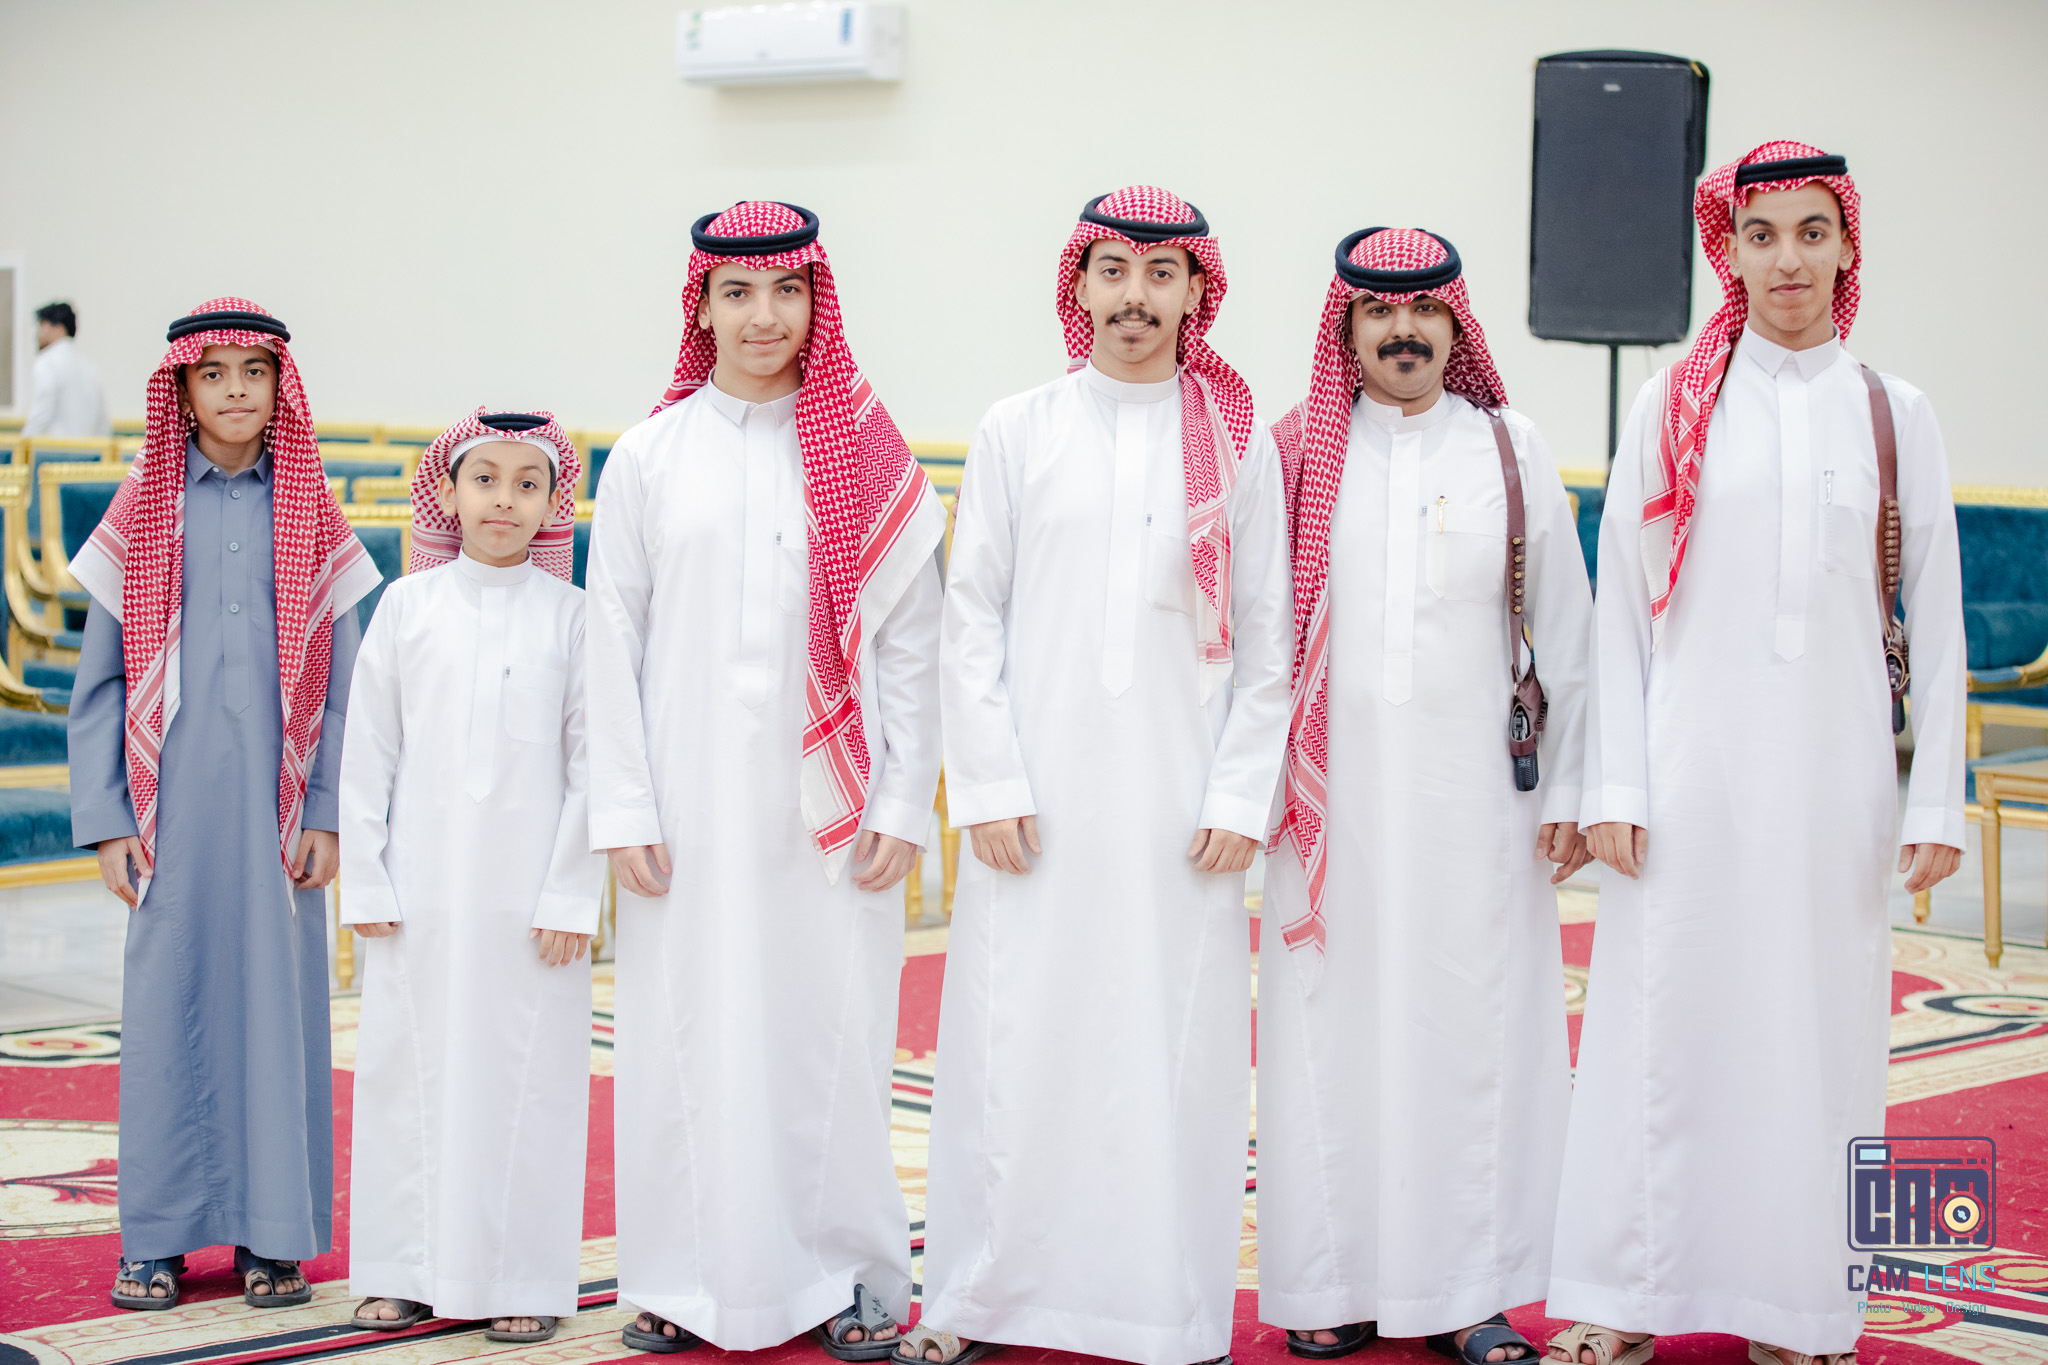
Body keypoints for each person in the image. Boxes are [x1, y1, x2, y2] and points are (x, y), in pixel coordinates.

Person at [1547, 142, 1967, 1365]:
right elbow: (1618, 612)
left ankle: (1803, 1312)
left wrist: (1931, 800)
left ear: (1843, 246)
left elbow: (1935, 618)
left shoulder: (1894, 413)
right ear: (1726, 252)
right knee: (1656, 1031)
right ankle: (1625, 1298)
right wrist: (1613, 782)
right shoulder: (1671, 404)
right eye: (1760, 234)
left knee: (1823, 1042)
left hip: (1836, 783)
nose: (1786, 258)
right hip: (1686, 776)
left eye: (1808, 232)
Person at [910, 186, 1293, 1365]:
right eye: (1113, 270)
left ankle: (1160, 1314)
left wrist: (1237, 796)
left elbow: (1269, 640)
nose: (1134, 296)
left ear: (1194, 293)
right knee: (1013, 1047)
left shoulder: (1236, 446)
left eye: (1159, 273)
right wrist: (988, 783)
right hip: (1033, 806)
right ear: (1077, 283)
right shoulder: (1017, 428)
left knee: (1168, 1058)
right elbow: (968, 615)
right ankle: (979, 1301)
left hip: (1182, 814)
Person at [585, 201, 946, 1356]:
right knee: (678, 1038)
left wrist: (903, 799)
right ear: (700, 306)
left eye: (786, 291)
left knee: (827, 1041)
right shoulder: (649, 456)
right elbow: (610, 641)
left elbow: (910, 645)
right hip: (683, 803)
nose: (762, 315)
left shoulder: (867, 453)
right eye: (737, 293)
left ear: (815, 302)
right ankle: (681, 1281)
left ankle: (848, 1277)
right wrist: (623, 806)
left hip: (832, 811)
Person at [1256, 227, 1591, 1365]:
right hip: (1327, 809)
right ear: (1345, 328)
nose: (1403, 332)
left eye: (1425, 312)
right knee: (1327, 1040)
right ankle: (1330, 1281)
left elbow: (1567, 630)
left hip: (1475, 809)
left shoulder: (1507, 446)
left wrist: (1572, 787)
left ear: (1455, 325)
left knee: (1469, 1038)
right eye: (1378, 312)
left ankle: (1468, 1293)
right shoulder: (1296, 452)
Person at [67, 298, 381, 1311]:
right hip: (168, 816)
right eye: (215, 373)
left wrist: (326, 810)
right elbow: (100, 684)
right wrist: (108, 818)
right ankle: (155, 1237)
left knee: (277, 1012)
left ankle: (271, 1235)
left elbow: (346, 688)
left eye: (255, 371)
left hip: (280, 821)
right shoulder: (142, 510)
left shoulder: (313, 514)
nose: (236, 389)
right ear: (184, 390)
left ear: (282, 386)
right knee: (169, 1008)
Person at [340, 408, 604, 1343]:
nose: (504, 499)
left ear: (552, 504)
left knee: (529, 1082)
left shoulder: (575, 617)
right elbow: (369, 752)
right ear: (447, 494)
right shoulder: (408, 607)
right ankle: (400, 1270)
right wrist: (367, 880)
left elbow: (594, 764)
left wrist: (571, 893)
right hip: (419, 893)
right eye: (484, 478)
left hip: (533, 904)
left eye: (527, 483)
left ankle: (522, 1276)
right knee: (406, 1074)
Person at [25, 300, 111, 437]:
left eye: (42, 325)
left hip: (54, 448)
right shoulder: (89, 366)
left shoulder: (47, 363)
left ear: (58, 328)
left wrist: (23, 445)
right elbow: (103, 423)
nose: (38, 334)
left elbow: (40, 415)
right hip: (90, 448)